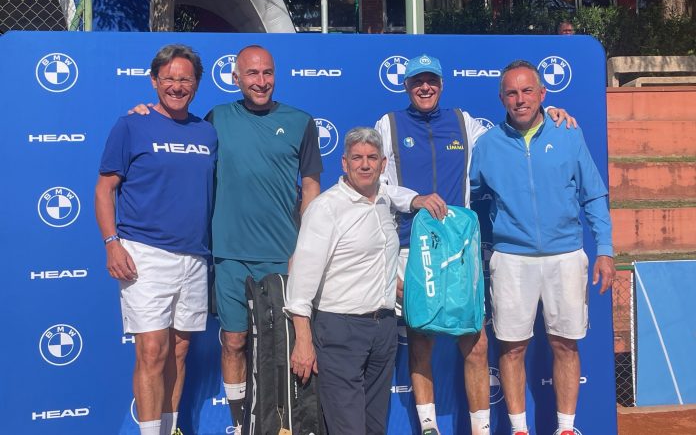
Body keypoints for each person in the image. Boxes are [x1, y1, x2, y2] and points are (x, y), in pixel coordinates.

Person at [374, 54, 576, 435]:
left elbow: (512, 134)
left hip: (460, 250)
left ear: (441, 84)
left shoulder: (464, 123)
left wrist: (548, 116)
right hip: (412, 247)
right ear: (406, 86)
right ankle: (429, 426)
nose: (425, 87)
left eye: (432, 80)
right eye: (417, 81)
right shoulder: (388, 124)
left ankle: (480, 429)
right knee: (420, 340)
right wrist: (413, 199)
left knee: (477, 344)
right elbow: (377, 183)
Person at [130, 44, 324, 434]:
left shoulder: (301, 122)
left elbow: (311, 189)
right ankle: (240, 424)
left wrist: (304, 250)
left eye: (267, 73)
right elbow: (177, 134)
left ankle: (284, 423)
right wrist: (146, 114)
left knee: (282, 346)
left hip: (282, 256)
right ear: (236, 78)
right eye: (251, 73)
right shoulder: (216, 119)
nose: (261, 81)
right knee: (234, 342)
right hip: (229, 256)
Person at [469, 60, 615, 435]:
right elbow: (465, 196)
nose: (520, 99)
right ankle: (519, 429)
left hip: (566, 255)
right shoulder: (487, 145)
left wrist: (605, 248)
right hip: (511, 258)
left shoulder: (568, 133)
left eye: (527, 91)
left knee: (565, 345)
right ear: (502, 98)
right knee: (512, 347)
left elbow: (593, 194)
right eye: (511, 93)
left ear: (542, 94)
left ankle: (566, 428)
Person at [95, 44, 217, 435]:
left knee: (180, 350)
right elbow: (104, 189)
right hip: (144, 253)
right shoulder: (132, 125)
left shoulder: (207, 132)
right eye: (169, 79)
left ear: (196, 84)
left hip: (195, 257)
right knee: (151, 350)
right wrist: (111, 242)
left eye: (185, 79)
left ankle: (169, 428)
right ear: (154, 81)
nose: (177, 86)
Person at [285, 127, 414, 435]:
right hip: (340, 331)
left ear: (383, 164)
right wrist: (303, 340)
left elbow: (378, 253)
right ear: (344, 163)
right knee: (348, 429)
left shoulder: (383, 202)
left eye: (372, 158)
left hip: (383, 328)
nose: (365, 165)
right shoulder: (326, 208)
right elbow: (301, 281)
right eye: (357, 158)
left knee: (374, 428)